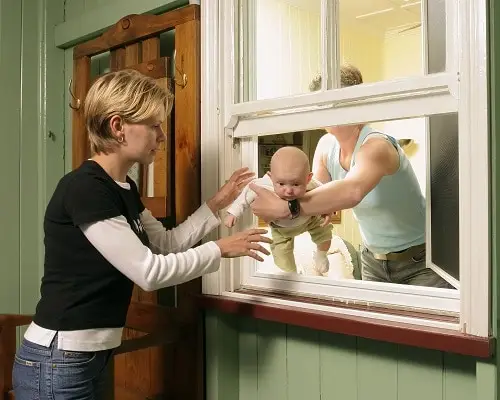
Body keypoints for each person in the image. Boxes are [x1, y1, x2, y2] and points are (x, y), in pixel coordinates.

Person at [12, 69, 271, 399]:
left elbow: (165, 244)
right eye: (154, 125)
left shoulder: (124, 188)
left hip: (88, 357)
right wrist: (219, 250)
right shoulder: (85, 189)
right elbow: (149, 272)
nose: (162, 136)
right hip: (59, 361)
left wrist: (216, 205)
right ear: (118, 127)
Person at [249, 64, 452, 288]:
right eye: (322, 103)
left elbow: (351, 191)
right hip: (372, 261)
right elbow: (317, 199)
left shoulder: (377, 146)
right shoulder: (326, 147)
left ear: (356, 102)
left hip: (420, 262)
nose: (327, 109)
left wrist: (286, 209)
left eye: (336, 101)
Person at [225, 146, 333, 275]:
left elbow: (326, 193)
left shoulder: (313, 184)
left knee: (325, 232)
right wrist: (233, 212)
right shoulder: (264, 185)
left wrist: (328, 209)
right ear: (271, 177)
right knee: (281, 253)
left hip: (310, 220)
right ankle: (291, 274)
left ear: (308, 179)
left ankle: (321, 255)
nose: (288, 190)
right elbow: (247, 192)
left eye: (296, 184)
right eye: (281, 184)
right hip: (281, 229)